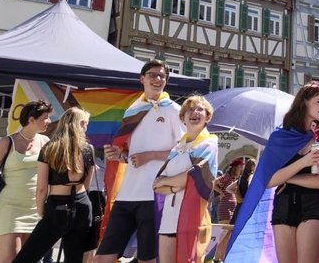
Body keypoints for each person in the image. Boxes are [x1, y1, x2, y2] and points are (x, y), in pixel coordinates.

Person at [226, 81, 319, 263]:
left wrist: (289, 178)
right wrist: (303, 162)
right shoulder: (280, 136)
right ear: (304, 101)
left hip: (313, 204)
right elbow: (269, 180)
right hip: (284, 206)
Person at [95, 60, 184, 263]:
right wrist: (120, 155)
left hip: (155, 194)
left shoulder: (173, 110)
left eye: (162, 76)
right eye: (153, 75)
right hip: (127, 194)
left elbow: (183, 151)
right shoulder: (133, 110)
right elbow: (129, 152)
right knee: (102, 257)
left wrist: (150, 155)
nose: (158, 79)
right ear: (142, 79)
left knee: (147, 259)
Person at [13, 107, 96, 263]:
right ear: (81, 124)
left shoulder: (50, 148)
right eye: (86, 125)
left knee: (29, 255)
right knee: (74, 258)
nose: (86, 129)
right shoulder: (88, 149)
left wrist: (41, 210)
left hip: (58, 204)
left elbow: (42, 187)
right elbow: (87, 184)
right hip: (83, 204)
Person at [0, 100, 53, 263]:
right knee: (10, 259)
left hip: (36, 210)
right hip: (9, 209)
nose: (48, 121)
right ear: (31, 119)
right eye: (45, 117)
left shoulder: (46, 142)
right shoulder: (6, 142)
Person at [153, 95, 218, 263]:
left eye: (199, 109)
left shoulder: (209, 143)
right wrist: (175, 184)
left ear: (207, 117)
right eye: (189, 109)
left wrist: (169, 183)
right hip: (169, 218)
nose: (194, 112)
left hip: (192, 217)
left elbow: (193, 177)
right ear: (182, 117)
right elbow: (156, 184)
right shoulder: (176, 147)